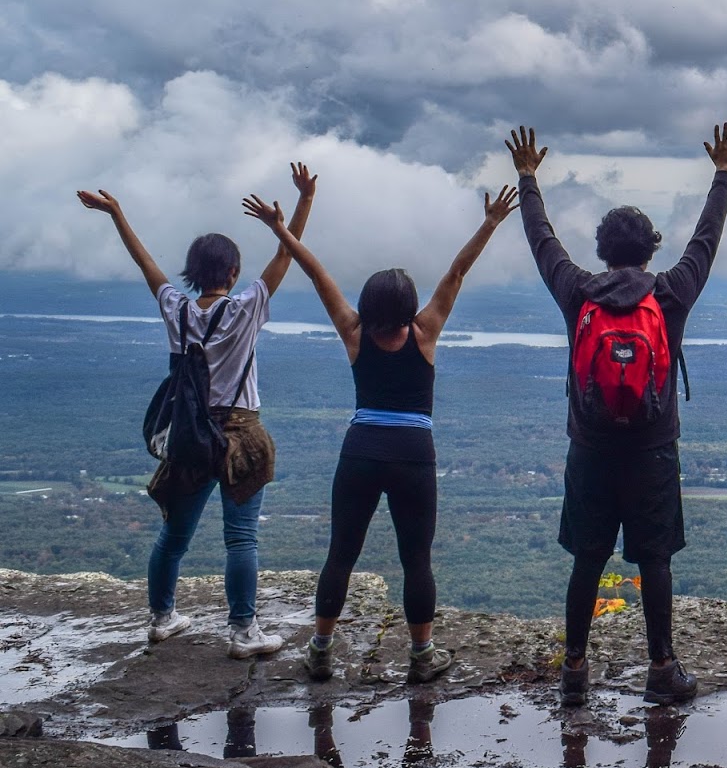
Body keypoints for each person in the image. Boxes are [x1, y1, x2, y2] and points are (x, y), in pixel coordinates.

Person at [241, 185, 519, 685]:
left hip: (361, 451)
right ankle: (421, 657)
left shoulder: (354, 331)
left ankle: (321, 653)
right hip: (414, 453)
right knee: (417, 559)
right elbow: (457, 272)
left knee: (341, 553)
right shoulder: (425, 331)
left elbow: (315, 271)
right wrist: (491, 222)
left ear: (368, 303)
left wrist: (279, 228)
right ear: (410, 305)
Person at [505, 122, 727, 710]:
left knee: (589, 556)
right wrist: (723, 174)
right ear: (651, 249)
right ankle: (661, 669)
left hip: (589, 449)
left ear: (604, 250)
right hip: (653, 451)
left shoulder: (578, 291)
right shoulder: (671, 292)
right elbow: (706, 241)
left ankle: (576, 671)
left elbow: (542, 242)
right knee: (654, 558)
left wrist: (528, 179)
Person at [75, 165, 317, 657]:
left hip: (189, 434)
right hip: (241, 435)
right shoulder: (247, 306)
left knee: (174, 534)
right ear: (232, 273)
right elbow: (284, 257)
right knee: (241, 538)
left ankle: (162, 617)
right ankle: (243, 632)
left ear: (192, 274)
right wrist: (297, 207)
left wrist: (117, 214)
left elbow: (146, 266)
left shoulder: (176, 308)